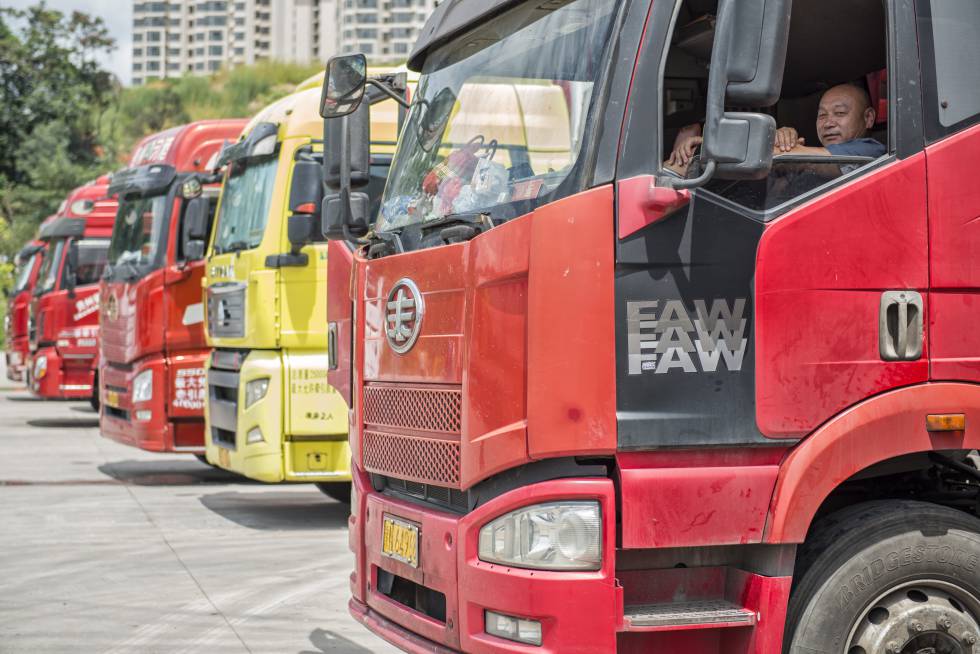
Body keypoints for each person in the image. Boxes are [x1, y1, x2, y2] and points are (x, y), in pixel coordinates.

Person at [665, 83, 885, 175]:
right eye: (822, 115)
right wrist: (781, 140)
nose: (828, 123)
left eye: (840, 113)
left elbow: (795, 158)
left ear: (868, 118)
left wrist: (708, 145)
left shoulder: (870, 152)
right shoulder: (812, 152)